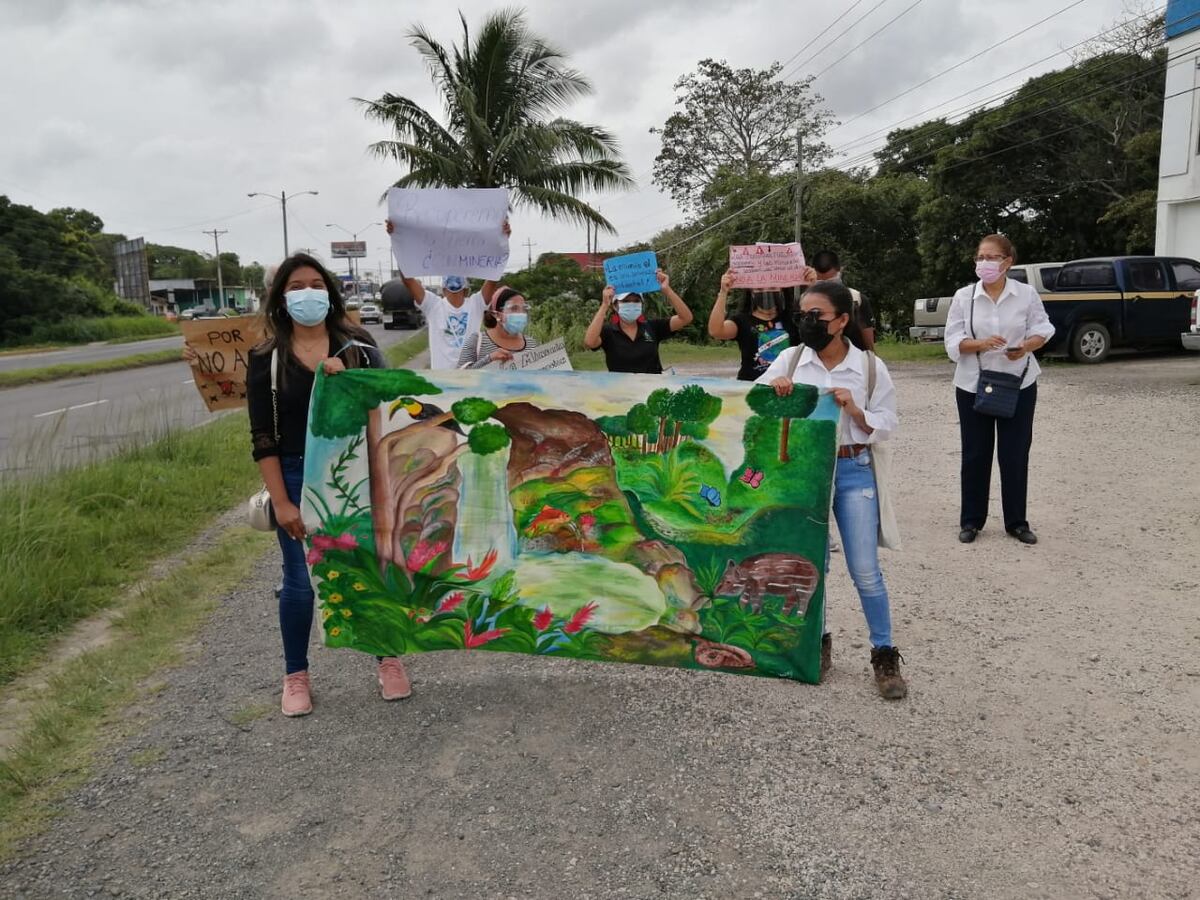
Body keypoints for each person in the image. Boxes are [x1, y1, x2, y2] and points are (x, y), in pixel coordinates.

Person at [246, 252, 410, 717]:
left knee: (369, 566)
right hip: (298, 475)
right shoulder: (267, 358)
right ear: (280, 297)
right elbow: (263, 438)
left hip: (356, 472)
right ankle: (295, 675)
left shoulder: (357, 345)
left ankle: (387, 658)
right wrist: (282, 500)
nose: (307, 293)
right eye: (296, 286)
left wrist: (351, 381)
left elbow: (388, 400)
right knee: (300, 581)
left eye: (316, 284)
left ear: (330, 291)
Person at [757, 280, 906, 700]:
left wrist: (857, 410)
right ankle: (816, 644)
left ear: (842, 321)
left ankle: (884, 653)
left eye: (816, 316)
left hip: (854, 469)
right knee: (813, 564)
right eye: (802, 314)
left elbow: (889, 421)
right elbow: (757, 399)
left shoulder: (869, 367)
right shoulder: (790, 359)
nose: (807, 322)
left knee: (864, 569)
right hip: (807, 474)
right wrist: (777, 391)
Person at [944, 234, 1054, 546]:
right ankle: (971, 521)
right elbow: (952, 341)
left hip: (1019, 382)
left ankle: (1017, 522)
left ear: (1007, 262)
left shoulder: (1025, 293)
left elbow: (1043, 329)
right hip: (972, 384)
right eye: (980, 257)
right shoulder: (965, 297)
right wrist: (980, 344)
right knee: (975, 453)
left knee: (1015, 454)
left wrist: (1026, 347)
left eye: (991, 257)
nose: (984, 263)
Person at [385, 218, 510, 369]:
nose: (453, 274)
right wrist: (398, 241)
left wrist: (502, 242)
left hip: (470, 377)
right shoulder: (433, 305)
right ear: (442, 286)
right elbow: (408, 280)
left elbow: (493, 275)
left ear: (466, 284)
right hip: (442, 382)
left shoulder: (476, 304)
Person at [583, 270, 693, 373]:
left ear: (641, 305)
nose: (631, 304)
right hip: (621, 391)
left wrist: (667, 290)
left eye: (636, 301)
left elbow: (686, 318)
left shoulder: (653, 327)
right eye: (626, 301)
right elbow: (589, 342)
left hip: (653, 389)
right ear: (615, 306)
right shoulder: (608, 332)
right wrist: (604, 305)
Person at [707, 269, 801, 381]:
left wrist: (814, 284)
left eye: (772, 287)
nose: (766, 292)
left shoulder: (794, 319)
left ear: (781, 289)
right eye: (759, 289)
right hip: (750, 387)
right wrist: (723, 292)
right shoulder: (742, 321)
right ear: (751, 292)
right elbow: (716, 331)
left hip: (788, 387)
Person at [456, 286, 539, 368]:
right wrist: (489, 359)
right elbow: (460, 377)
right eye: (514, 308)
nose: (521, 313)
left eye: (524, 309)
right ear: (496, 314)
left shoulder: (531, 344)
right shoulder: (477, 341)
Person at [810, 249, 876, 350]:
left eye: (831, 281)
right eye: (821, 283)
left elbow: (868, 343)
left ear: (840, 271)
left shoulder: (856, 299)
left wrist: (871, 361)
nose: (827, 287)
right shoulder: (806, 304)